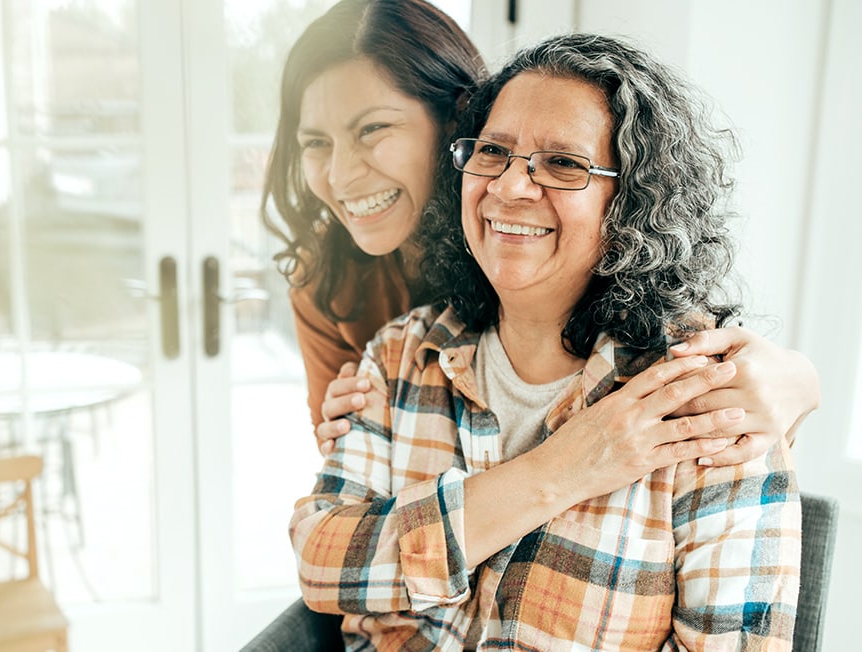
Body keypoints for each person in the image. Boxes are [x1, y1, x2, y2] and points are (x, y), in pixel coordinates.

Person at [289, 33, 801, 650]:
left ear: (634, 202)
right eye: (493, 152)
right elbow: (321, 564)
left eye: (564, 164)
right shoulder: (400, 353)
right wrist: (566, 467)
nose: (509, 187)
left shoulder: (703, 399)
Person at [261, 0, 819, 464]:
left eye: (373, 128)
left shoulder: (581, 258)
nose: (339, 175)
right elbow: (355, 490)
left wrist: (800, 382)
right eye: (315, 142)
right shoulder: (326, 285)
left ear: (461, 120)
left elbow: (724, 388)